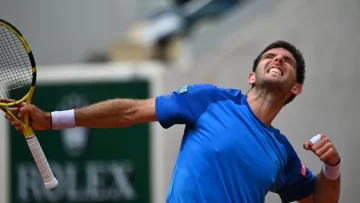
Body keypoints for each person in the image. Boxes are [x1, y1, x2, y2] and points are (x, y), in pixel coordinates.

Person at [5, 40, 341, 203]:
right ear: (251, 76)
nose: (278, 60)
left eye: (287, 61)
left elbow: (315, 201)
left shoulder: (282, 152)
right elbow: (130, 111)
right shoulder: (209, 100)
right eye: (270, 56)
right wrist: (51, 120)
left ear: (295, 87)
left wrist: (332, 168)